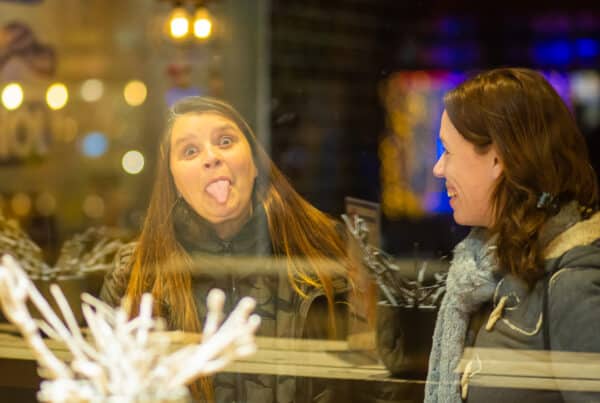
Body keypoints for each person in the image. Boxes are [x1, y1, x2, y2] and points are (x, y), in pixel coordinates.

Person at [100, 96, 353, 402]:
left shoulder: (325, 248)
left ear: (255, 164)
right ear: (174, 181)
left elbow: (375, 383)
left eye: (225, 141)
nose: (211, 157)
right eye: (190, 151)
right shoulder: (136, 272)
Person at [426, 67, 600, 403]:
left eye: (447, 151)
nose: (438, 168)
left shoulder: (573, 282)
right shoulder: (497, 266)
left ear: (498, 158)